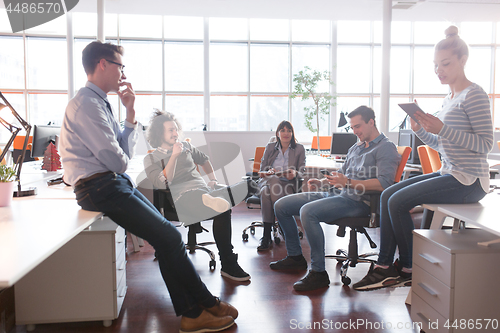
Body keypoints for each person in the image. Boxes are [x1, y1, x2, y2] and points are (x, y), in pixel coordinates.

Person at [59, 40, 237, 333]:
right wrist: (120, 150)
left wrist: (129, 113)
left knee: (168, 239)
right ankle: (204, 305)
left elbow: (122, 153)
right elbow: (117, 159)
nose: (122, 73)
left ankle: (195, 312)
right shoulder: (86, 105)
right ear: (103, 64)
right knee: (169, 237)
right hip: (101, 186)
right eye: (120, 66)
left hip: (111, 182)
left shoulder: (99, 102)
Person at [353, 26, 494, 291]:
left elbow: (486, 145)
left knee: (396, 201)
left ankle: (406, 267)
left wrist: (443, 129)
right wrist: (421, 131)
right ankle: (385, 266)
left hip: (469, 180)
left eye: (446, 64)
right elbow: (443, 145)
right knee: (387, 195)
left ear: (463, 61)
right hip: (449, 171)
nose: (439, 70)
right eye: (435, 65)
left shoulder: (474, 95)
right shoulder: (449, 98)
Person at [270, 106, 400, 291]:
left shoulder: (386, 147)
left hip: (360, 202)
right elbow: (342, 173)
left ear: (371, 122)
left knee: (308, 212)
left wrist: (347, 182)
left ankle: (318, 273)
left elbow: (384, 184)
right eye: (352, 127)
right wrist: (322, 182)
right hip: (338, 193)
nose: (355, 131)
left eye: (358, 126)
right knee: (281, 205)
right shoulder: (356, 146)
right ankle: (295, 257)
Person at [143, 110, 255, 281]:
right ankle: (228, 263)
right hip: (181, 199)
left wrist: (213, 180)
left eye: (175, 129)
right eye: (170, 130)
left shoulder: (186, 146)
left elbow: (204, 159)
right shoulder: (151, 158)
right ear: (159, 134)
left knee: (230, 199)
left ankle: (234, 191)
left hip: (206, 191)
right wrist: (173, 156)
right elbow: (162, 183)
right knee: (221, 205)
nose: (175, 133)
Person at [255, 120, 306, 251]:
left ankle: (266, 236)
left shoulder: (299, 148)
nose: (286, 133)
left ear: (292, 133)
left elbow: (302, 173)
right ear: (277, 133)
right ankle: (284, 225)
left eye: (289, 130)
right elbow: (262, 170)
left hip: (287, 184)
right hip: (268, 180)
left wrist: (294, 173)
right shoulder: (270, 147)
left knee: (266, 193)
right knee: (272, 180)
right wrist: (269, 172)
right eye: (282, 130)